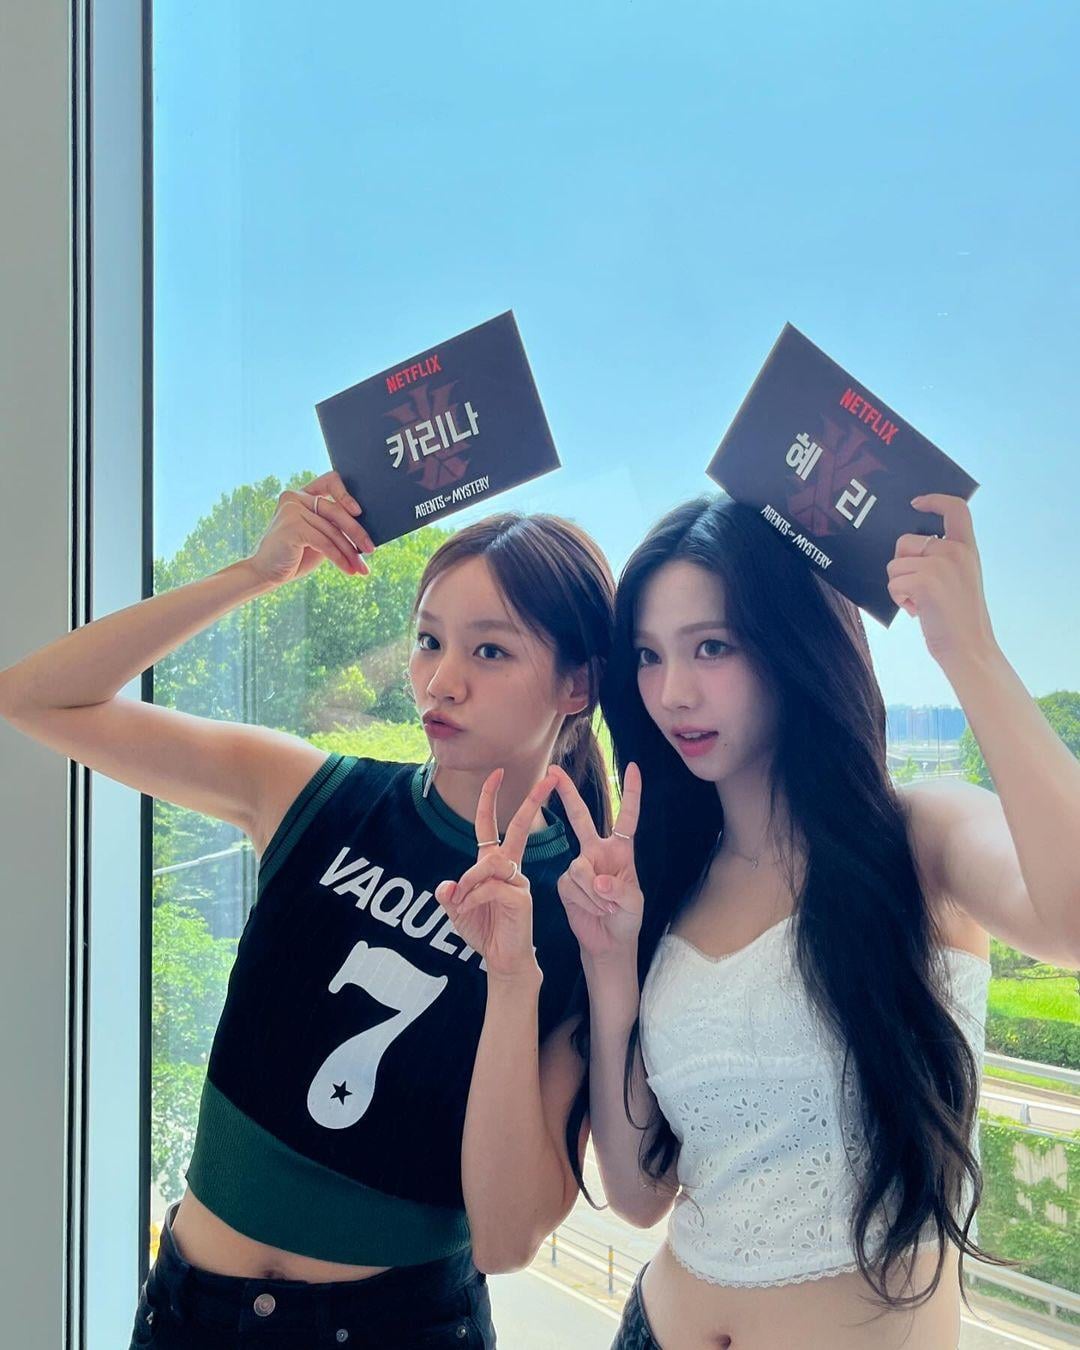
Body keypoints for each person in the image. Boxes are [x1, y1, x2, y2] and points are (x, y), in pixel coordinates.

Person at [0, 470, 616, 1349]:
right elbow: (34, 696)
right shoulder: (318, 795)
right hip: (190, 1315)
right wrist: (252, 575)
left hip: (401, 1329)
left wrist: (513, 979)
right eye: (428, 640)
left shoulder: (586, 909)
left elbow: (508, 1238)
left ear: (577, 685)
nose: (441, 681)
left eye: (490, 651)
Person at [547, 493, 1080, 1350]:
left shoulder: (918, 836)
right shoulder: (673, 884)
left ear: (792, 644)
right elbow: (641, 1196)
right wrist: (611, 966)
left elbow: (1072, 921)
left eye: (712, 646)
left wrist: (968, 648)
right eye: (648, 656)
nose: (673, 692)